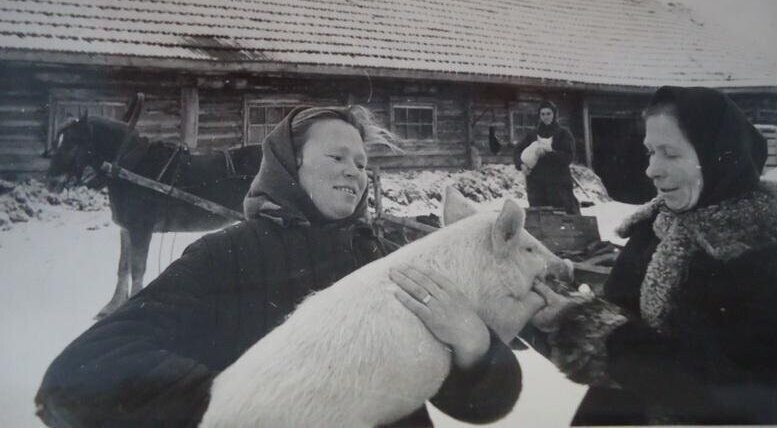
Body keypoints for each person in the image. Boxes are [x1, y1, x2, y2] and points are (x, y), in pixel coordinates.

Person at [35, 105, 545, 427]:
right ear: (289, 165)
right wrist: (238, 406)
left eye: (363, 164)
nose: (355, 172)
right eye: (337, 157)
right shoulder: (225, 255)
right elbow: (79, 373)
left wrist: (474, 347)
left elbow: (483, 405)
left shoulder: (385, 260)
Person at [531, 86, 777, 425]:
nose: (651, 170)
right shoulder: (654, 228)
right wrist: (561, 319)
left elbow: (747, 393)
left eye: (670, 154)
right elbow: (612, 340)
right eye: (650, 152)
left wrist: (605, 334)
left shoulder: (763, 248)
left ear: (720, 156)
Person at [514, 100, 580, 214]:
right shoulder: (532, 134)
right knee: (540, 216)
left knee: (562, 215)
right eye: (542, 114)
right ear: (539, 116)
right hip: (536, 184)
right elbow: (517, 150)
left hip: (558, 183)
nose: (545, 117)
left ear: (554, 115)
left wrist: (548, 154)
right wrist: (521, 164)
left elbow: (568, 156)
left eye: (548, 113)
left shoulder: (563, 133)